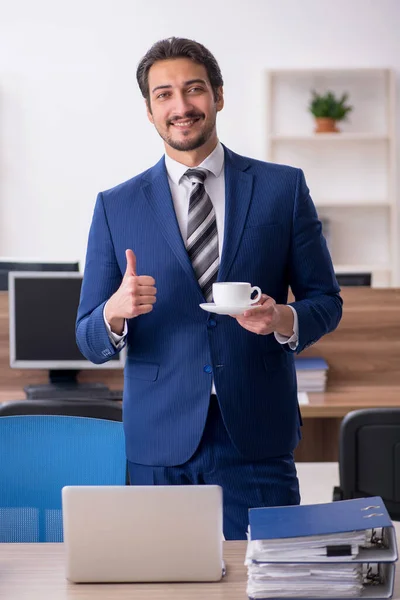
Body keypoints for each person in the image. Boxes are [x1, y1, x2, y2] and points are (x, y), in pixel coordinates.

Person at [76, 37, 342, 540]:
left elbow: (326, 300)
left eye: (193, 89)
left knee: (268, 583)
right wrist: (113, 313)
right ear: (149, 111)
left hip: (256, 435)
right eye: (164, 95)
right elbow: (88, 338)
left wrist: (281, 320)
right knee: (164, 584)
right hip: (159, 441)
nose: (181, 106)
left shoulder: (282, 189)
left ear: (218, 95)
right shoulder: (116, 205)